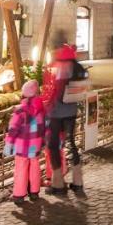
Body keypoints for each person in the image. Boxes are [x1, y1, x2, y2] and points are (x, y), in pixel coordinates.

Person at [42, 43, 86, 195]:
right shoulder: (77, 66)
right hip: (71, 110)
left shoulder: (60, 66)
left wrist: (47, 105)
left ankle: (58, 183)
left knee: (53, 145)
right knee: (70, 142)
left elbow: (55, 89)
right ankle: (78, 181)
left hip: (57, 112)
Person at [5, 79, 46, 205]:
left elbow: (13, 129)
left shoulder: (20, 111)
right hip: (35, 144)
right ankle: (34, 192)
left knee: (21, 168)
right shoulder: (41, 109)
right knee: (34, 166)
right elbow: (44, 127)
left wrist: (9, 144)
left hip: (22, 146)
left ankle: (19, 194)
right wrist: (43, 141)